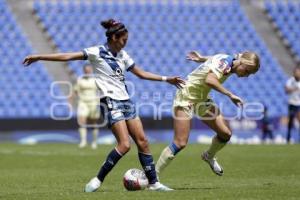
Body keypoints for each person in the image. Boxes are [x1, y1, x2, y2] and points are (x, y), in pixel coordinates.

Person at [23, 19, 185, 191]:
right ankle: (98, 179)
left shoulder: (123, 56)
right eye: (124, 40)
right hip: (109, 102)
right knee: (124, 145)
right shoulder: (96, 52)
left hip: (126, 101)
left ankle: (154, 183)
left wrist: (167, 79)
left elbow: (141, 74)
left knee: (143, 141)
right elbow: (68, 56)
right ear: (114, 37)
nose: (125, 43)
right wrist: (40, 56)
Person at [155, 50, 260, 178]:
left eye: (250, 74)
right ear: (242, 62)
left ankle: (208, 156)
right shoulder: (227, 63)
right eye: (247, 71)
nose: (246, 75)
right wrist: (230, 95)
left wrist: (202, 58)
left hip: (202, 98)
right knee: (180, 142)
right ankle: (153, 177)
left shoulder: (230, 59)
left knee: (225, 133)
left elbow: (215, 58)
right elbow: (210, 80)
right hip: (186, 96)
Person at [72, 64, 100, 149]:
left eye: (89, 70)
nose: (88, 71)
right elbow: (75, 91)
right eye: (86, 70)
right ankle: (83, 141)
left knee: (93, 123)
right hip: (83, 102)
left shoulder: (95, 80)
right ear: (84, 70)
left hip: (93, 103)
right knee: (82, 121)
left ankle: (94, 142)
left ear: (91, 70)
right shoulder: (80, 80)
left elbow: (101, 90)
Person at [285, 66, 300, 144]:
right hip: (291, 103)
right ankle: (288, 139)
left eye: (298, 72)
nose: (297, 73)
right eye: (296, 72)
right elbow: (286, 90)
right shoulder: (290, 81)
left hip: (299, 104)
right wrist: (294, 89)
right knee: (290, 121)